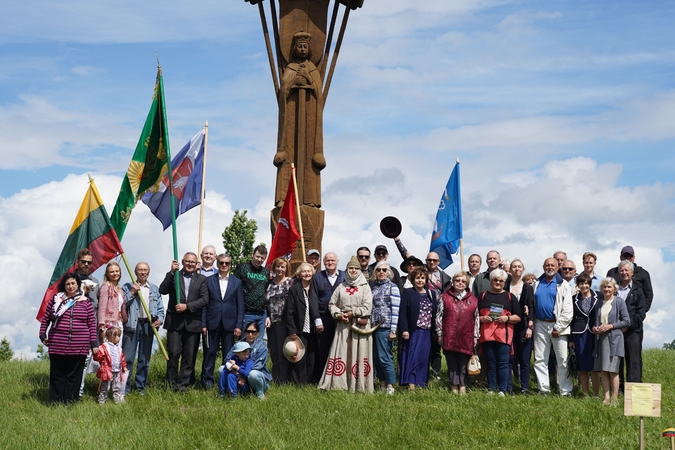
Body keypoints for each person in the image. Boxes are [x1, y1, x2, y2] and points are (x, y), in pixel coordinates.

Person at [274, 31, 325, 208]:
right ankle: (283, 198)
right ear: (295, 49)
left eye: (305, 46)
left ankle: (310, 199)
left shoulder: (312, 68)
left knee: (309, 160)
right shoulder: (291, 69)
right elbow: (284, 91)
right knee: (288, 157)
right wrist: (294, 82)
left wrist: (309, 80)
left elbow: (319, 93)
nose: (302, 49)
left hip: (309, 120)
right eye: (299, 46)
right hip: (291, 121)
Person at [39, 272, 99, 404]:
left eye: (73, 283)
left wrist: (94, 343)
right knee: (58, 374)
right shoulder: (56, 300)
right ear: (64, 286)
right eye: (68, 284)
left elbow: (91, 324)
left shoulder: (86, 302)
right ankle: (55, 402)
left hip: (79, 346)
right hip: (57, 344)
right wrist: (42, 334)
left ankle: (70, 402)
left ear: (78, 284)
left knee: (74, 376)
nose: (71, 286)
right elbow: (46, 319)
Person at [318, 256, 373, 393]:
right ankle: (339, 385)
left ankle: (359, 386)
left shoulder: (365, 287)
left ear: (359, 270)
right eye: (350, 268)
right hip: (343, 325)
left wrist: (353, 313)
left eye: (355, 268)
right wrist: (339, 314)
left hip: (360, 325)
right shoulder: (341, 287)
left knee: (359, 353)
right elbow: (331, 304)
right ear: (347, 270)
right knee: (342, 352)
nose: (353, 271)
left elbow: (368, 307)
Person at [160, 252, 209, 391]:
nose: (190, 264)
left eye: (193, 262)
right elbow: (162, 290)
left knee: (189, 354)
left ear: (196, 264)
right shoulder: (175, 276)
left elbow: (205, 299)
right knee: (174, 352)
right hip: (175, 322)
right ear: (182, 262)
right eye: (187, 261)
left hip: (193, 322)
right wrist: (171, 272)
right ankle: (171, 383)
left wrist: (187, 307)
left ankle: (184, 384)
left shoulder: (202, 279)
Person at [201, 253, 244, 390]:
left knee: (229, 355)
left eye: (227, 263)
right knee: (209, 354)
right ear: (217, 264)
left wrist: (238, 325)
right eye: (221, 263)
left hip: (230, 324)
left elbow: (240, 305)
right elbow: (204, 304)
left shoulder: (237, 282)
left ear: (230, 265)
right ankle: (207, 383)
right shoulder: (209, 281)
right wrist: (204, 324)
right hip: (212, 322)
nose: (224, 265)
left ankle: (226, 382)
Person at [532, 257, 574, 396]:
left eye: (552, 265)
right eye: (547, 265)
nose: (549, 267)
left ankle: (565, 391)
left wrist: (558, 327)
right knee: (540, 358)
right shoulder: (537, 283)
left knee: (562, 360)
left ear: (558, 268)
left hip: (558, 325)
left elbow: (568, 309)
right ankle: (543, 389)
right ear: (543, 267)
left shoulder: (563, 284)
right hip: (540, 324)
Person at [122, 262, 164, 395]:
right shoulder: (127, 286)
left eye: (145, 270)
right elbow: (122, 305)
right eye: (140, 270)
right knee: (128, 358)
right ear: (135, 272)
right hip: (132, 326)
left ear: (149, 272)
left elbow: (160, 309)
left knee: (144, 358)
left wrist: (159, 320)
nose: (142, 272)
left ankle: (140, 387)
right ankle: (125, 388)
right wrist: (132, 292)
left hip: (148, 325)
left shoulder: (154, 289)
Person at [477, 269, 521, 395]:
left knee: (503, 363)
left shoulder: (509, 297)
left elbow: (518, 317)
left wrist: (506, 318)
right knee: (490, 363)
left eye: (501, 281)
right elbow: (474, 316)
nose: (498, 282)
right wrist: (482, 318)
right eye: (495, 280)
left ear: (504, 282)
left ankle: (502, 390)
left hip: (503, 335)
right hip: (486, 335)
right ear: (490, 281)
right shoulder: (482, 296)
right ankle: (491, 388)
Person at [436, 272, 479, 394]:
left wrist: (476, 335)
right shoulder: (444, 297)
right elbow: (439, 317)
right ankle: (454, 386)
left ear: (467, 284)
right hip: (449, 334)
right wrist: (439, 334)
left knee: (464, 363)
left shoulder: (473, 300)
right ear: (453, 282)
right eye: (457, 280)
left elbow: (476, 319)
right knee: (452, 362)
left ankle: (463, 386)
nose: (460, 283)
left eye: (463, 281)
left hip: (467, 335)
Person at [592, 278, 630, 406]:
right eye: (604, 287)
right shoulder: (598, 303)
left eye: (609, 287)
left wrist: (611, 326)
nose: (607, 289)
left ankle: (614, 398)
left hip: (615, 339)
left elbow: (626, 321)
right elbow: (595, 321)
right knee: (604, 370)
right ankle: (606, 397)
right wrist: (595, 328)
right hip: (601, 339)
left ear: (614, 288)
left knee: (613, 370)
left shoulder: (619, 302)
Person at [398, 266, 437, 390]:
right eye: (417, 278)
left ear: (426, 280)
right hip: (413, 331)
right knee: (412, 356)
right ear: (413, 279)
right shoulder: (408, 293)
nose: (420, 280)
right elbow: (402, 312)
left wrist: (435, 330)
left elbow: (435, 313)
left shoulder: (432, 294)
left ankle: (421, 383)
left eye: (423, 278)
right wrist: (404, 330)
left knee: (423, 357)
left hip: (427, 331)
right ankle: (411, 384)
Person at [284, 262, 323, 384]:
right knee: (299, 357)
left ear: (312, 273)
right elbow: (288, 312)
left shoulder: (315, 288)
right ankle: (299, 383)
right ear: (299, 274)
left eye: (309, 271)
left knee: (312, 357)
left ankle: (310, 381)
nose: (306, 274)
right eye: (304, 271)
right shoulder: (294, 290)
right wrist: (292, 330)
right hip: (299, 329)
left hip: (314, 329)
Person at [309, 252, 344, 383]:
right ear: (323, 262)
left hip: (341, 319)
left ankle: (339, 379)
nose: (330, 262)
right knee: (323, 350)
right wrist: (317, 320)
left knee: (340, 349)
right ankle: (324, 380)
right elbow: (313, 300)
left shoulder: (345, 276)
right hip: (323, 319)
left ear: (337, 261)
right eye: (327, 260)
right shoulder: (317, 277)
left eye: (332, 260)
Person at [369, 261, 400, 395]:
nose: (381, 272)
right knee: (376, 358)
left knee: (385, 357)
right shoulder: (374, 288)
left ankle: (390, 386)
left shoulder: (392, 287)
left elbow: (396, 309)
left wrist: (393, 330)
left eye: (384, 270)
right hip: (374, 327)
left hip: (386, 327)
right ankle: (382, 384)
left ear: (389, 273)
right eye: (378, 270)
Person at [220, 322, 272, 399]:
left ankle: (260, 393)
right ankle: (229, 392)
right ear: (245, 333)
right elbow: (227, 358)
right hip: (240, 372)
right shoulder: (239, 343)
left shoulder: (262, 345)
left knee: (253, 374)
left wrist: (243, 375)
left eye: (253, 332)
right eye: (248, 332)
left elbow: (257, 366)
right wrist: (232, 367)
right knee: (221, 369)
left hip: (256, 377)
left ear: (258, 333)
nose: (250, 334)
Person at [615, 261, 646, 388]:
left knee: (633, 362)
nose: (624, 273)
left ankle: (633, 390)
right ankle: (619, 390)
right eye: (622, 270)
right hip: (615, 331)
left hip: (633, 332)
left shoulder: (638, 290)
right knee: (617, 362)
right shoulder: (613, 289)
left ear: (632, 272)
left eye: (627, 270)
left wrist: (627, 325)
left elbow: (641, 314)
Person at [569, 272, 600, 396]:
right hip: (579, 334)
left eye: (586, 283)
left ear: (590, 284)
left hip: (593, 333)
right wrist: (571, 338)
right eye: (581, 283)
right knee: (582, 364)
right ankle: (585, 393)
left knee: (593, 365)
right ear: (578, 285)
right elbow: (571, 319)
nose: (584, 286)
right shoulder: (574, 299)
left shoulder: (599, 296)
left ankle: (596, 394)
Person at [265, 257, 294, 384]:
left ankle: (284, 379)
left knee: (284, 351)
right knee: (274, 351)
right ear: (274, 268)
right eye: (278, 266)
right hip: (271, 323)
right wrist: (266, 316)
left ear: (286, 268)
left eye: (283, 267)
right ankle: (275, 377)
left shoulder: (291, 283)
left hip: (284, 322)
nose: (280, 269)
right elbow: (265, 303)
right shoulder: (269, 284)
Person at [75, 248, 99, 398]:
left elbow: (98, 304)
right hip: (74, 327)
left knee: (84, 363)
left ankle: (79, 392)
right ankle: (69, 390)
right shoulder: (70, 280)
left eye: (89, 262)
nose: (86, 264)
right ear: (78, 262)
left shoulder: (95, 282)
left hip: (90, 328)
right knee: (72, 361)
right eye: (83, 261)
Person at [509, 259, 535, 394]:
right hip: (508, 327)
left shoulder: (528, 287)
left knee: (525, 360)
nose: (517, 269)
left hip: (524, 326)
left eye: (519, 266)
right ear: (510, 270)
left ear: (523, 269)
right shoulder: (505, 285)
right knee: (510, 359)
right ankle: (510, 385)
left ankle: (524, 387)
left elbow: (531, 307)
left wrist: (530, 327)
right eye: (514, 266)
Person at [233, 245, 271, 337]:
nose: (259, 259)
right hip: (246, 313)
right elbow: (234, 289)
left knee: (258, 344)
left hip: (262, 314)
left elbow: (266, 293)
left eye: (262, 258)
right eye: (257, 256)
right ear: (252, 254)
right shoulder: (242, 268)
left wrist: (267, 315)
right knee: (245, 344)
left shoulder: (266, 272)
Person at [425, 251, 450, 381]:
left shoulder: (445, 277)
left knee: (436, 347)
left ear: (438, 262)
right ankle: (423, 373)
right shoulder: (420, 275)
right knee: (423, 346)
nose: (432, 262)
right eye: (429, 260)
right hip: (424, 313)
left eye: (434, 260)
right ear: (426, 260)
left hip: (440, 314)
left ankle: (436, 373)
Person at [606, 246, 653, 312]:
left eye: (630, 256)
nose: (628, 258)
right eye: (625, 256)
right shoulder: (612, 272)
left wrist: (642, 312)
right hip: (614, 314)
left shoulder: (643, 273)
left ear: (633, 258)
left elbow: (648, 294)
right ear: (620, 257)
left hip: (634, 314)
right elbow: (606, 291)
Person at [94, 326, 127, 404]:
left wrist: (124, 366)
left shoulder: (119, 348)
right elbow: (98, 357)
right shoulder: (104, 347)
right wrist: (96, 353)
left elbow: (121, 358)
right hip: (107, 371)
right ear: (112, 336)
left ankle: (117, 400)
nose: (119, 338)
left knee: (117, 386)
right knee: (105, 387)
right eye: (118, 336)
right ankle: (102, 400)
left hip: (117, 371)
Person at [97, 262, 127, 340]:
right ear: (107, 274)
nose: (115, 273)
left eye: (117, 271)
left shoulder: (120, 290)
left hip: (118, 323)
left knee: (117, 349)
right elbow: (102, 308)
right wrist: (101, 326)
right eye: (112, 271)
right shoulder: (105, 287)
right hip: (108, 324)